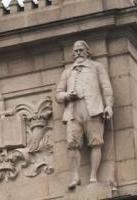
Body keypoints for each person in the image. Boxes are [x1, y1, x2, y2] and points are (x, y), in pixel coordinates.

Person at [54, 39, 114, 188]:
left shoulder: (96, 67)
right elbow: (58, 94)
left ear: (87, 52)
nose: (78, 53)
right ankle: (75, 177)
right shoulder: (67, 72)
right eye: (75, 51)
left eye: (81, 50)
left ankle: (93, 176)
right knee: (72, 144)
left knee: (96, 142)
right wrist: (68, 96)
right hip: (73, 111)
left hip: (93, 109)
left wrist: (109, 106)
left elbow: (106, 87)